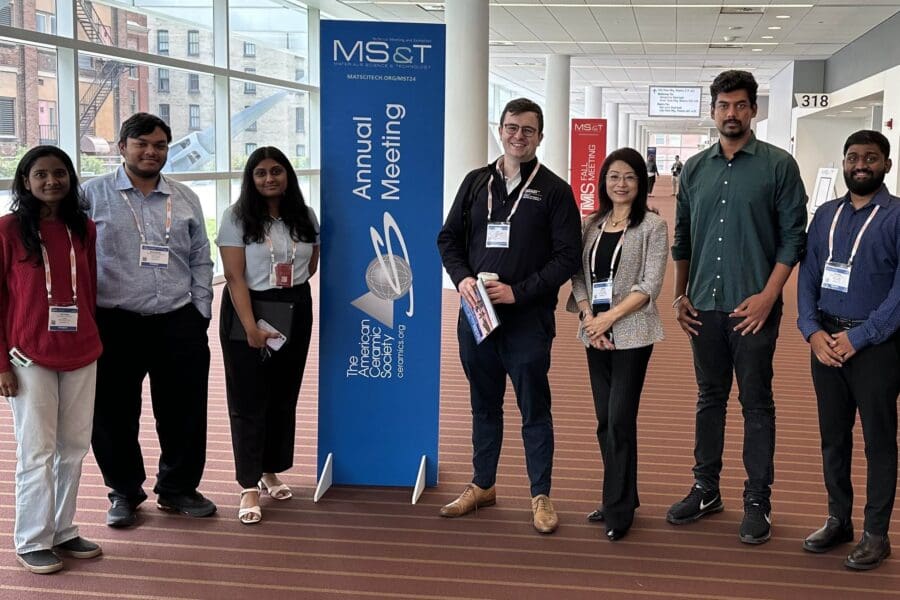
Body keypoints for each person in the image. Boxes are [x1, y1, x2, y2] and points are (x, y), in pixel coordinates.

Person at [668, 70, 807, 544]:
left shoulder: (777, 165)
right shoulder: (694, 169)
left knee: (756, 404)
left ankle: (757, 501)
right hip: (703, 305)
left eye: (741, 105)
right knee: (709, 399)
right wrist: (679, 294)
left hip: (755, 309)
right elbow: (682, 237)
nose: (732, 113)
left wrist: (770, 296)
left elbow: (793, 238)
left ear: (753, 111)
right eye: (724, 105)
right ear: (713, 111)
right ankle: (707, 489)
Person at [437, 97, 581, 533]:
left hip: (527, 320)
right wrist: (461, 278)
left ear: (540, 136)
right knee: (484, 404)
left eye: (528, 130)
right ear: (500, 129)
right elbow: (448, 239)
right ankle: (483, 485)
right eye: (512, 127)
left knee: (534, 407)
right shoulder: (476, 182)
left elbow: (567, 256)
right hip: (477, 315)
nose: (519, 136)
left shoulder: (554, 190)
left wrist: (519, 293)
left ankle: (541, 494)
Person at [83, 113, 216, 528]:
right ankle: (124, 491)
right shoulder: (91, 195)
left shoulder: (185, 197)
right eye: (141, 143)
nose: (151, 151)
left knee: (184, 411)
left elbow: (200, 257)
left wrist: (200, 309)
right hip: (115, 321)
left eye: (159, 145)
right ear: (122, 147)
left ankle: (177, 488)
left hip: (178, 320)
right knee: (112, 414)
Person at [797, 130, 900, 571]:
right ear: (843, 163)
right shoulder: (824, 215)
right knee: (833, 438)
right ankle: (837, 519)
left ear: (886, 165)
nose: (861, 164)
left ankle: (876, 534)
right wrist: (811, 331)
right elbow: (808, 276)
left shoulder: (896, 215)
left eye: (871, 158)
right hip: (826, 343)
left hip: (877, 346)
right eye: (853, 157)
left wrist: (860, 338)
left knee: (878, 441)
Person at [0, 146, 103, 573]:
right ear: (25, 181)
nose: (51, 182)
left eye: (59, 173)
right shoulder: (7, 230)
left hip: (81, 350)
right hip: (28, 355)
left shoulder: (84, 228)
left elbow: (91, 288)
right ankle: (31, 538)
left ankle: (62, 529)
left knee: (75, 447)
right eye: (40, 174)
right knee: (37, 450)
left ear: (70, 178)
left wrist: (92, 337)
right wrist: (1, 364)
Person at [566, 147, 668, 542]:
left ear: (640, 183)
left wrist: (609, 319)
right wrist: (591, 317)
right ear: (603, 182)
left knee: (621, 419)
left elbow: (650, 284)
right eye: (613, 176)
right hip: (594, 331)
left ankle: (618, 508)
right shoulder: (592, 224)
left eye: (628, 177)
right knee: (605, 421)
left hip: (633, 333)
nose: (620, 184)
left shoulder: (652, 227)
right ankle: (620, 494)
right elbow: (578, 275)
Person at [217, 147, 319, 524]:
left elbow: (311, 262)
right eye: (260, 172)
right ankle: (248, 484)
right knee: (248, 398)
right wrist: (250, 327)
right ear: (251, 178)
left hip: (294, 307)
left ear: (287, 175)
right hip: (250, 307)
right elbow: (234, 277)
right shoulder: (236, 218)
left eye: (276, 171)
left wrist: (291, 291)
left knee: (282, 394)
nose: (269, 178)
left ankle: (270, 469)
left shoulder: (305, 216)